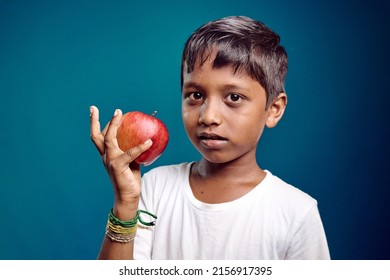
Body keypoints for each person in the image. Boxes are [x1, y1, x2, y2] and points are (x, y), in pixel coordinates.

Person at [90, 15, 330, 260]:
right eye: (195, 95)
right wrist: (125, 204)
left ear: (274, 109)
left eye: (234, 97)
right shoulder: (155, 188)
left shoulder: (296, 213)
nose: (208, 116)